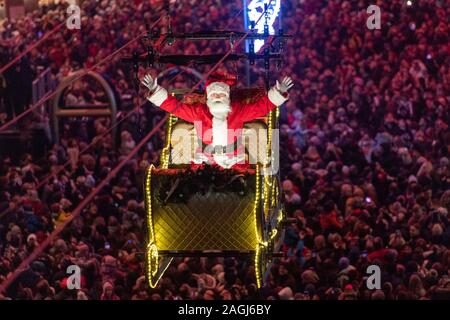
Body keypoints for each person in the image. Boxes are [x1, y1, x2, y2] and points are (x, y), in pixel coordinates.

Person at [142, 72, 293, 168]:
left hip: (234, 160)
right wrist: (156, 91)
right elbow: (175, 107)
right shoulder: (199, 112)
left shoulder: (237, 111)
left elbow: (260, 108)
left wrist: (278, 93)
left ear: (227, 97)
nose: (218, 98)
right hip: (204, 161)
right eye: (215, 95)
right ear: (209, 97)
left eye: (221, 95)